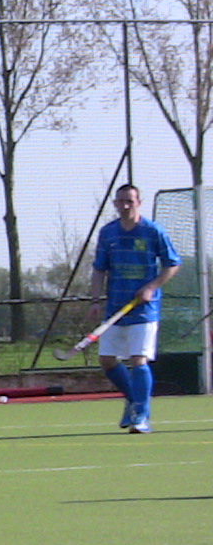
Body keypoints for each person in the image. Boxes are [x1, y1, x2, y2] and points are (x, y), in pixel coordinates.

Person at [90, 183, 180, 435]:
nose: (125, 205)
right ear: (115, 204)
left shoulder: (153, 231)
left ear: (139, 202)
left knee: (138, 359)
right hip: (115, 308)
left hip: (144, 310)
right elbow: (99, 269)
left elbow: (172, 264)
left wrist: (152, 286)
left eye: (130, 201)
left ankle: (141, 415)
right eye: (121, 201)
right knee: (107, 361)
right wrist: (95, 301)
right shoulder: (108, 233)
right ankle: (133, 398)